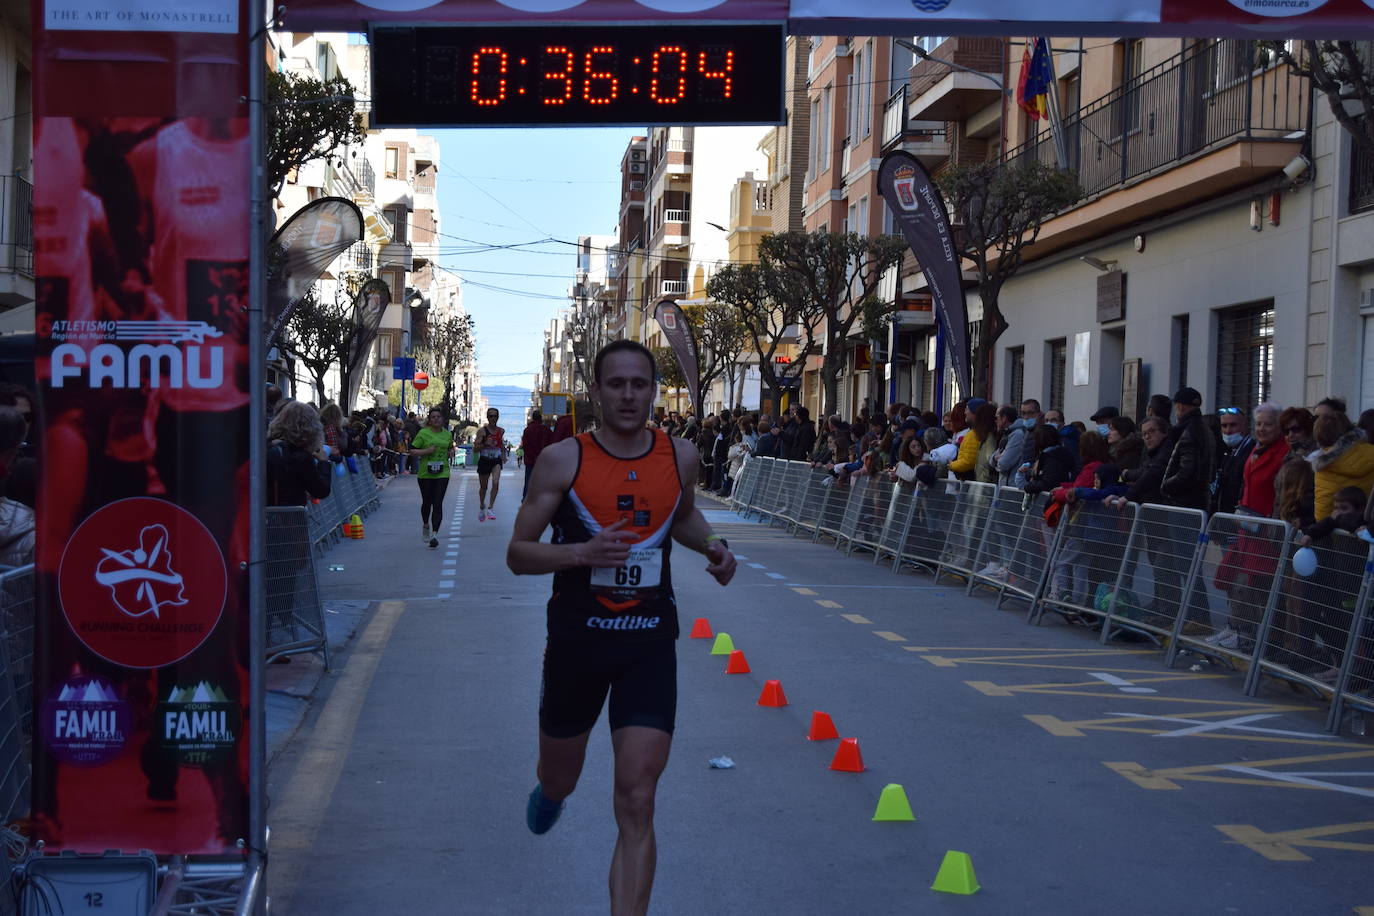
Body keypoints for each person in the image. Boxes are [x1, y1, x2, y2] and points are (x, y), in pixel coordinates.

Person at [506, 340, 736, 916]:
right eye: (617, 384)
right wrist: (583, 553)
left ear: (653, 389)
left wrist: (712, 544)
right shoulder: (564, 460)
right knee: (560, 777)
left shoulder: (680, 456)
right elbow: (518, 553)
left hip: (648, 641)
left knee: (637, 797)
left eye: (639, 383)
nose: (629, 394)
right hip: (577, 644)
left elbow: (681, 517)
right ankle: (551, 793)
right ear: (597, 390)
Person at [1160, 387, 1218, 512]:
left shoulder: (1188, 432)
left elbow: (1187, 472)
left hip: (1183, 504)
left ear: (1180, 407)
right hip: (1199, 501)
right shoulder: (1205, 429)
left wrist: (1166, 485)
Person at [265, 401, 332, 507]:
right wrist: (323, 462)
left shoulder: (267, 448)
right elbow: (321, 490)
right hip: (290, 518)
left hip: (263, 516)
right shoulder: (301, 457)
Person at [1311, 411, 1374, 521]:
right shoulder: (1371, 452)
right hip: (1368, 528)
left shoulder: (1324, 464)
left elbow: (1322, 513)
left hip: (1338, 532)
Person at [408, 407, 455, 548]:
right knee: (427, 502)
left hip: (442, 472)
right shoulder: (423, 433)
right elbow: (412, 451)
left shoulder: (447, 435)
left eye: (438, 417)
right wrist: (426, 451)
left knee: (438, 502)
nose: (436, 419)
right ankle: (426, 525)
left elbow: (450, 448)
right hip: (425, 473)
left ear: (442, 420)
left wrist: (451, 452)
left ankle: (434, 534)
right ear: (429, 419)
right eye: (433, 417)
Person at [1213, 407, 1256, 515]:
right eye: (1224, 426)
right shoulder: (1230, 451)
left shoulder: (1252, 452)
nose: (1228, 431)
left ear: (1245, 425)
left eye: (1233, 425)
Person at [475, 408, 507, 521]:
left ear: (498, 417)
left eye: (495, 416)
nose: (493, 418)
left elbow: (501, 444)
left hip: (496, 460)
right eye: (491, 416)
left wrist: (503, 454)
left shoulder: (501, 431)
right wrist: (484, 443)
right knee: (483, 487)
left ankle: (491, 508)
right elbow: (475, 449)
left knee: (496, 482)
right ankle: (482, 504)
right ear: (487, 417)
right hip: (484, 459)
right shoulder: (482, 431)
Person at [521, 410, 554, 501]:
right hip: (543, 461)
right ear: (541, 418)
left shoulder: (527, 430)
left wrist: (532, 457)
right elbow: (551, 443)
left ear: (533, 418)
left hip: (530, 461)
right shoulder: (546, 430)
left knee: (528, 481)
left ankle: (525, 499)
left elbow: (525, 446)